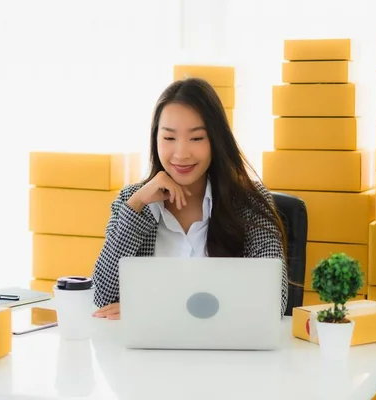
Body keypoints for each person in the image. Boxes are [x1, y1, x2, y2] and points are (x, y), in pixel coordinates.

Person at [91, 77, 288, 320]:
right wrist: (136, 206)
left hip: (225, 354)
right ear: (155, 140)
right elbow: (103, 298)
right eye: (169, 138)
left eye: (196, 138)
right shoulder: (131, 201)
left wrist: (155, 309)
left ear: (216, 141)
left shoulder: (250, 202)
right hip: (147, 356)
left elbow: (272, 301)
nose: (181, 153)